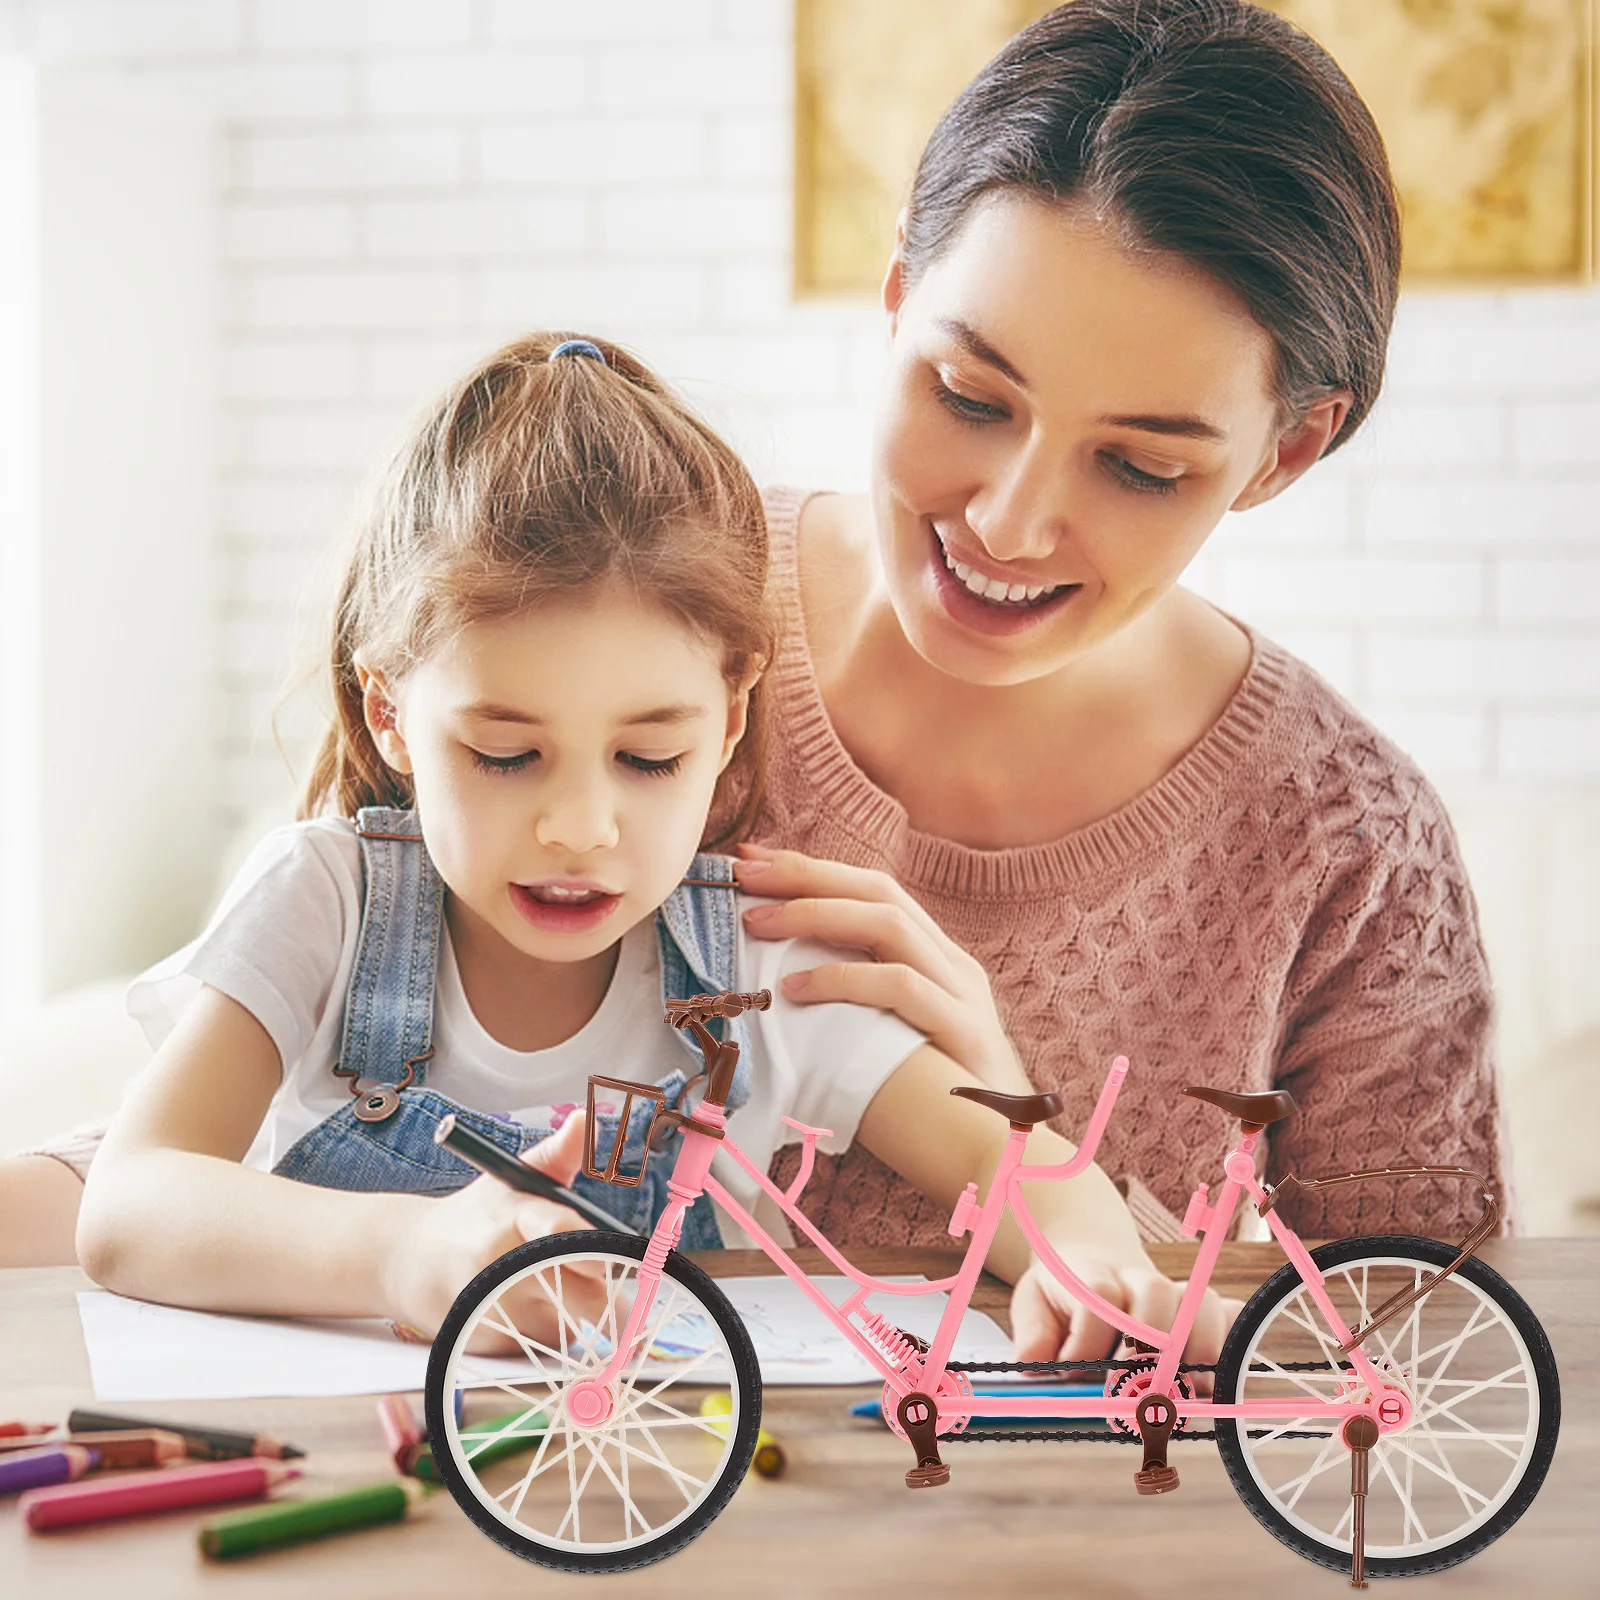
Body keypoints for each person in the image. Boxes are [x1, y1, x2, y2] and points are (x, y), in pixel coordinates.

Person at [34, 330, 1225, 1362]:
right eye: (506, 754)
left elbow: (1018, 1168)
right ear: (392, 716)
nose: (581, 827)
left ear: (731, 717)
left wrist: (1094, 1266)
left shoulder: (762, 964)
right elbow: (133, 1202)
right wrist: (413, 1255)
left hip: (664, 1486)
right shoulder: (324, 903)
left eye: (648, 758)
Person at [730, 0, 1507, 1248]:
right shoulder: (630, 588)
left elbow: (1411, 1355)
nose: (1011, 523)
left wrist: (1031, 1156)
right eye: (968, 395)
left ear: (1285, 451)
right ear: (895, 289)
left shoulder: (1347, 849)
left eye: (1139, 467)